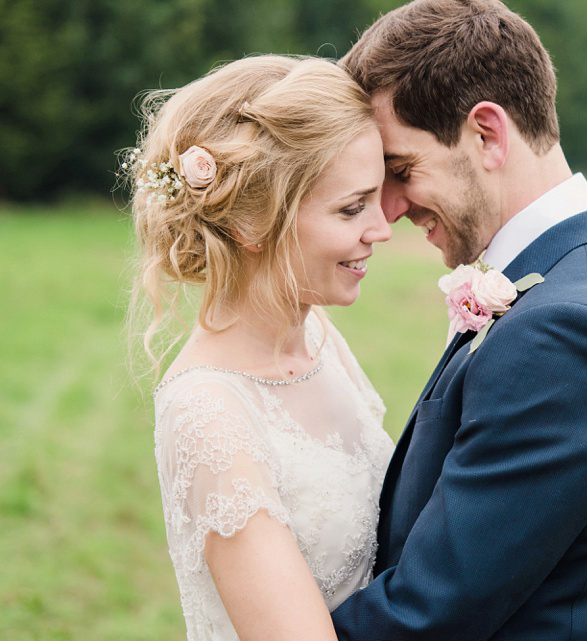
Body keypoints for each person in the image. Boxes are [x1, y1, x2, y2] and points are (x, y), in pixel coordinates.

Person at [330, 1, 587, 639]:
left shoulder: (570, 330)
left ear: (486, 134)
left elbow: (431, 612)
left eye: (402, 169)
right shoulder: (576, 277)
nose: (388, 209)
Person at [125, 55, 394, 640]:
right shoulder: (209, 411)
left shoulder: (319, 335)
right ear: (251, 223)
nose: (382, 228)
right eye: (352, 207)